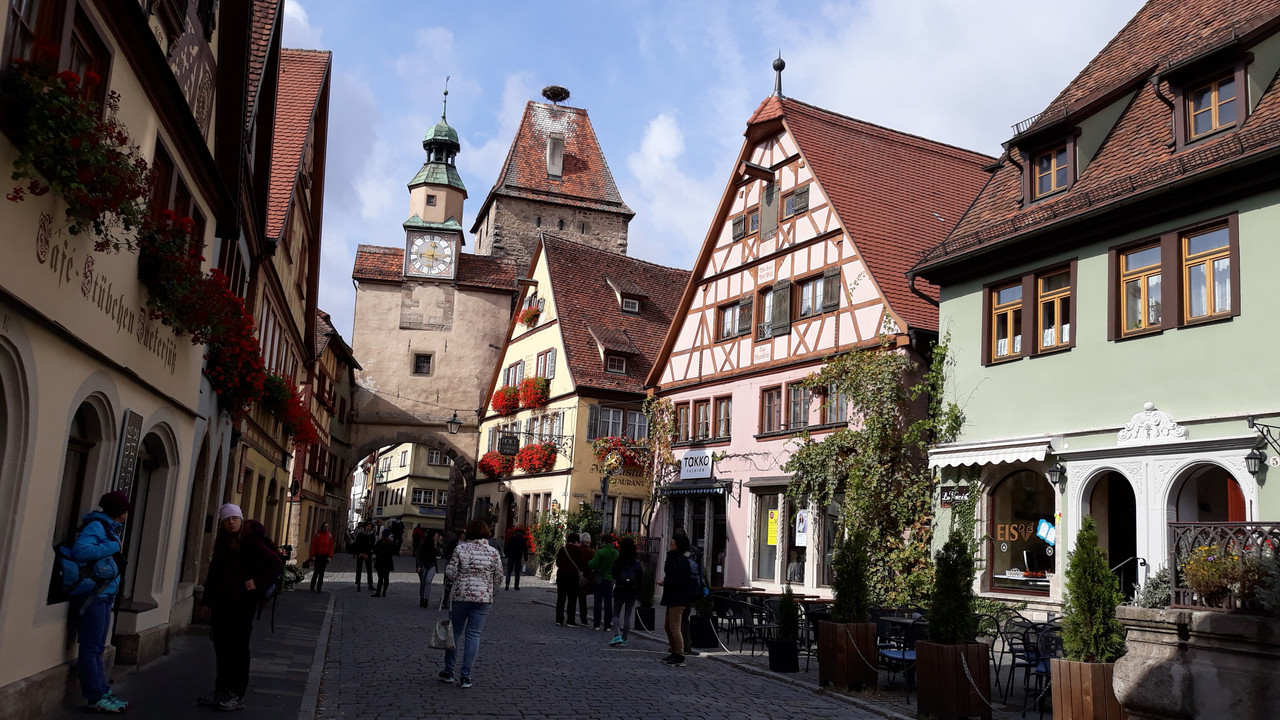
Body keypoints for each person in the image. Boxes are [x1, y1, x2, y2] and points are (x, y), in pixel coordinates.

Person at [198, 504, 284, 711]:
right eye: (227, 520)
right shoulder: (223, 543)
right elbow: (214, 574)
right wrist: (206, 601)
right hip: (221, 603)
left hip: (242, 604)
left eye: (234, 518)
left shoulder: (252, 542)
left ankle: (237, 694)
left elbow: (275, 563)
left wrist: (258, 582)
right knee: (221, 648)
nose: (231, 522)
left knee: (237, 649)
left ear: (241, 519)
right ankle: (221, 690)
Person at [71, 491, 131, 714]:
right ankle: (96, 697)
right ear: (120, 511)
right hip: (93, 595)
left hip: (104, 595)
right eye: (125, 509)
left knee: (97, 647)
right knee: (91, 648)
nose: (127, 512)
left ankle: (103, 692)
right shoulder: (97, 526)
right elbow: (81, 551)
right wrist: (114, 547)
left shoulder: (108, 527)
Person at [438, 519, 502, 689]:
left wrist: (460, 578)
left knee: (455, 632)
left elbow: (450, 572)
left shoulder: (461, 549)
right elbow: (498, 578)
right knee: (473, 635)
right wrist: (490, 592)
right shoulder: (493, 552)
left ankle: (448, 671)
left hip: (461, 596)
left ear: (469, 533)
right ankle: (466, 676)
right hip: (483, 599)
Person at [657, 533, 696, 667]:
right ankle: (673, 651)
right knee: (667, 626)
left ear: (678, 544)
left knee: (675, 627)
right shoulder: (673, 557)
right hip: (671, 595)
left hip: (679, 597)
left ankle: (680, 655)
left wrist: (665, 582)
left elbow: (680, 579)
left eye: (673, 541)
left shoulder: (681, 560)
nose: (670, 542)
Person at [609, 537, 644, 648]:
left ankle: (617, 634)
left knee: (616, 614)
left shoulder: (618, 562)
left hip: (620, 589)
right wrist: (638, 590)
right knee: (627, 616)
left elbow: (614, 575)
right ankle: (624, 639)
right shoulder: (636, 563)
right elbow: (640, 577)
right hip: (631, 591)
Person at [554, 532, 591, 626]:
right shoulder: (577, 550)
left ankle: (559, 619)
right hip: (572, 577)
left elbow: (557, 563)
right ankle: (570, 620)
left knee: (561, 598)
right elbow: (581, 564)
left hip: (561, 575)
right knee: (572, 599)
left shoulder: (562, 549)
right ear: (575, 541)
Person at [588, 533, 618, 631]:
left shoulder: (600, 552)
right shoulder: (615, 553)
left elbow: (593, 564)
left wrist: (589, 562)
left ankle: (596, 624)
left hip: (600, 579)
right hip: (610, 579)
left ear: (603, 541)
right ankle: (607, 625)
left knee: (598, 602)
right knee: (608, 603)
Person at [416, 529, 439, 608]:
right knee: (423, 583)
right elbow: (418, 554)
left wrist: (436, 546)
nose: (437, 538)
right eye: (435, 536)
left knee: (428, 581)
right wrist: (418, 565)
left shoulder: (436, 544)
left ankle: (426, 599)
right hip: (423, 565)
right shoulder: (424, 543)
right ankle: (422, 599)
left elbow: (439, 554)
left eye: (437, 536)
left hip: (432, 565)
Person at [309, 522, 334, 592]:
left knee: (322, 572)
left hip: (325, 556)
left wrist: (330, 556)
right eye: (325, 526)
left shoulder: (330, 536)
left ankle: (319, 587)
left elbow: (331, 547)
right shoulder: (318, 535)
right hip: (318, 555)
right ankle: (312, 586)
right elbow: (314, 546)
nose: (326, 528)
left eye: (327, 527)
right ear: (322, 527)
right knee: (316, 572)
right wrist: (313, 555)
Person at [349, 522, 375, 590]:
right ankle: (358, 584)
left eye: (370, 526)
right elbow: (357, 545)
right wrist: (358, 553)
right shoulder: (360, 535)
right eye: (368, 526)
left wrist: (367, 554)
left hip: (368, 554)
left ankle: (370, 584)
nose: (369, 528)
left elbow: (372, 546)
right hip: (360, 554)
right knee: (359, 569)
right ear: (365, 527)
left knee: (369, 569)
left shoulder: (372, 536)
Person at [371, 528, 396, 597]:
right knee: (386, 577)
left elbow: (375, 551)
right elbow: (393, 552)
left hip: (380, 561)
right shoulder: (391, 543)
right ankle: (384, 592)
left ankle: (378, 592)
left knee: (380, 578)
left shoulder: (380, 542)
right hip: (388, 562)